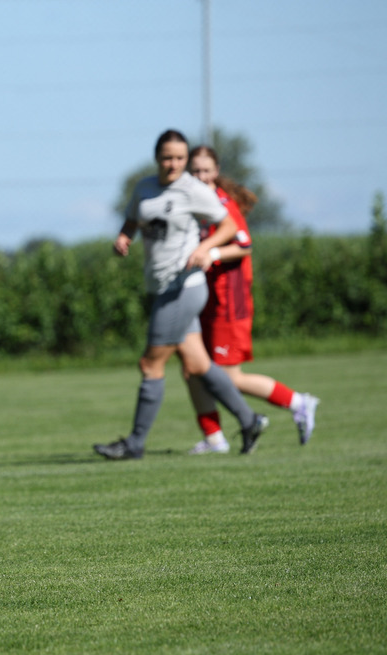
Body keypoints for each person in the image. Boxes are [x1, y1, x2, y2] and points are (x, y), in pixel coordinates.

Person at [93, 129, 268, 460]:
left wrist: (207, 247)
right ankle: (250, 420)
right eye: (167, 157)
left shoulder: (194, 191)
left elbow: (230, 226)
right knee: (199, 363)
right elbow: (132, 218)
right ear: (156, 158)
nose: (173, 164)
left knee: (150, 363)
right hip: (160, 287)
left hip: (183, 288)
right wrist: (124, 238)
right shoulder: (144, 188)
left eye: (179, 158)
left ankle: (135, 444)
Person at [184, 146, 319, 454]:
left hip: (229, 301)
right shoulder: (194, 202)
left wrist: (211, 252)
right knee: (192, 367)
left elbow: (244, 244)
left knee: (228, 376)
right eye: (195, 171)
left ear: (216, 171)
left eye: (205, 170)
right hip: (205, 298)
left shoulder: (221, 203)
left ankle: (298, 402)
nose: (200, 176)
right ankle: (213, 438)